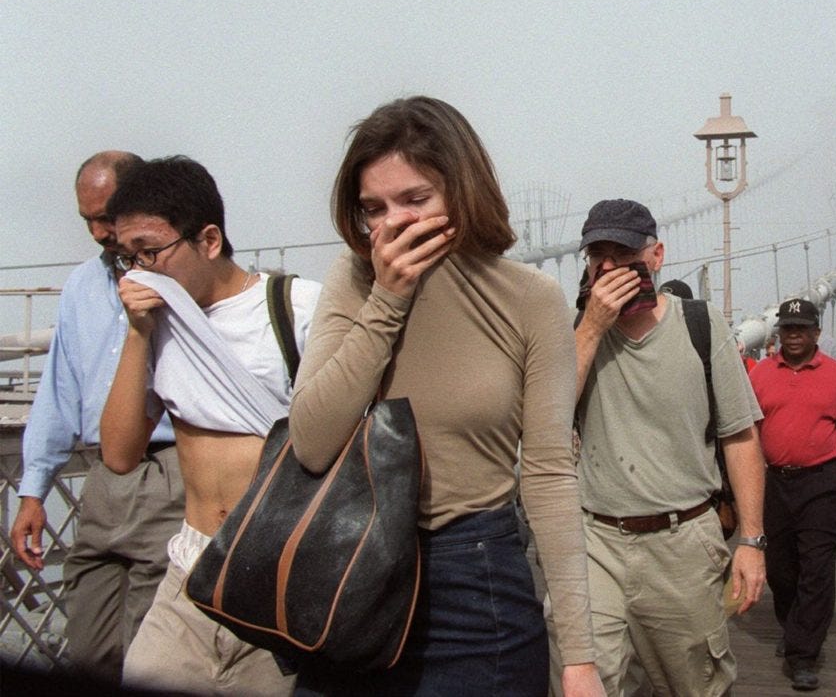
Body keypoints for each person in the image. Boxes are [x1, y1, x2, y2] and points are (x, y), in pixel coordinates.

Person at [287, 96, 602, 697]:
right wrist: (386, 302)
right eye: (373, 209)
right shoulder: (352, 281)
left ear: (462, 190)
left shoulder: (531, 299)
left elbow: (549, 475)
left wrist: (580, 657)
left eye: (416, 199)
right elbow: (311, 440)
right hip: (351, 576)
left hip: (474, 580)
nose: (393, 224)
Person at [99, 156, 320, 695]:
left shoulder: (298, 308)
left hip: (283, 582)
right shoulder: (155, 326)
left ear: (210, 240)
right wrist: (136, 335)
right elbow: (119, 454)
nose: (138, 272)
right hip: (191, 575)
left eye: (150, 252)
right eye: (126, 258)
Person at [572, 198, 766, 695]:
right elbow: (546, 422)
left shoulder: (701, 326)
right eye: (598, 255)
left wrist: (751, 541)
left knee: (695, 685)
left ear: (656, 256)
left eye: (623, 252)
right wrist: (591, 326)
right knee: (585, 681)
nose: (609, 266)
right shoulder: (573, 334)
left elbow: (740, 436)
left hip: (683, 543)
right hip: (595, 542)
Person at [10, 151, 185, 684]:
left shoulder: (181, 280)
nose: (97, 232)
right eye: (87, 219)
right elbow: (59, 393)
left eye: (106, 217)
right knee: (88, 648)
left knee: (150, 654)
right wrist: (33, 491)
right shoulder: (83, 287)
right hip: (103, 479)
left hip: (170, 470)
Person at [749, 298, 836, 692]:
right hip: (774, 484)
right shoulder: (761, 374)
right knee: (782, 571)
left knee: (817, 568)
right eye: (787, 328)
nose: (794, 335)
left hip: (820, 483)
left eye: (802, 328)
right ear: (777, 333)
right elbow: (745, 430)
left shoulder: (835, 375)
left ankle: (803, 654)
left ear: (817, 333)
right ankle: (796, 625)